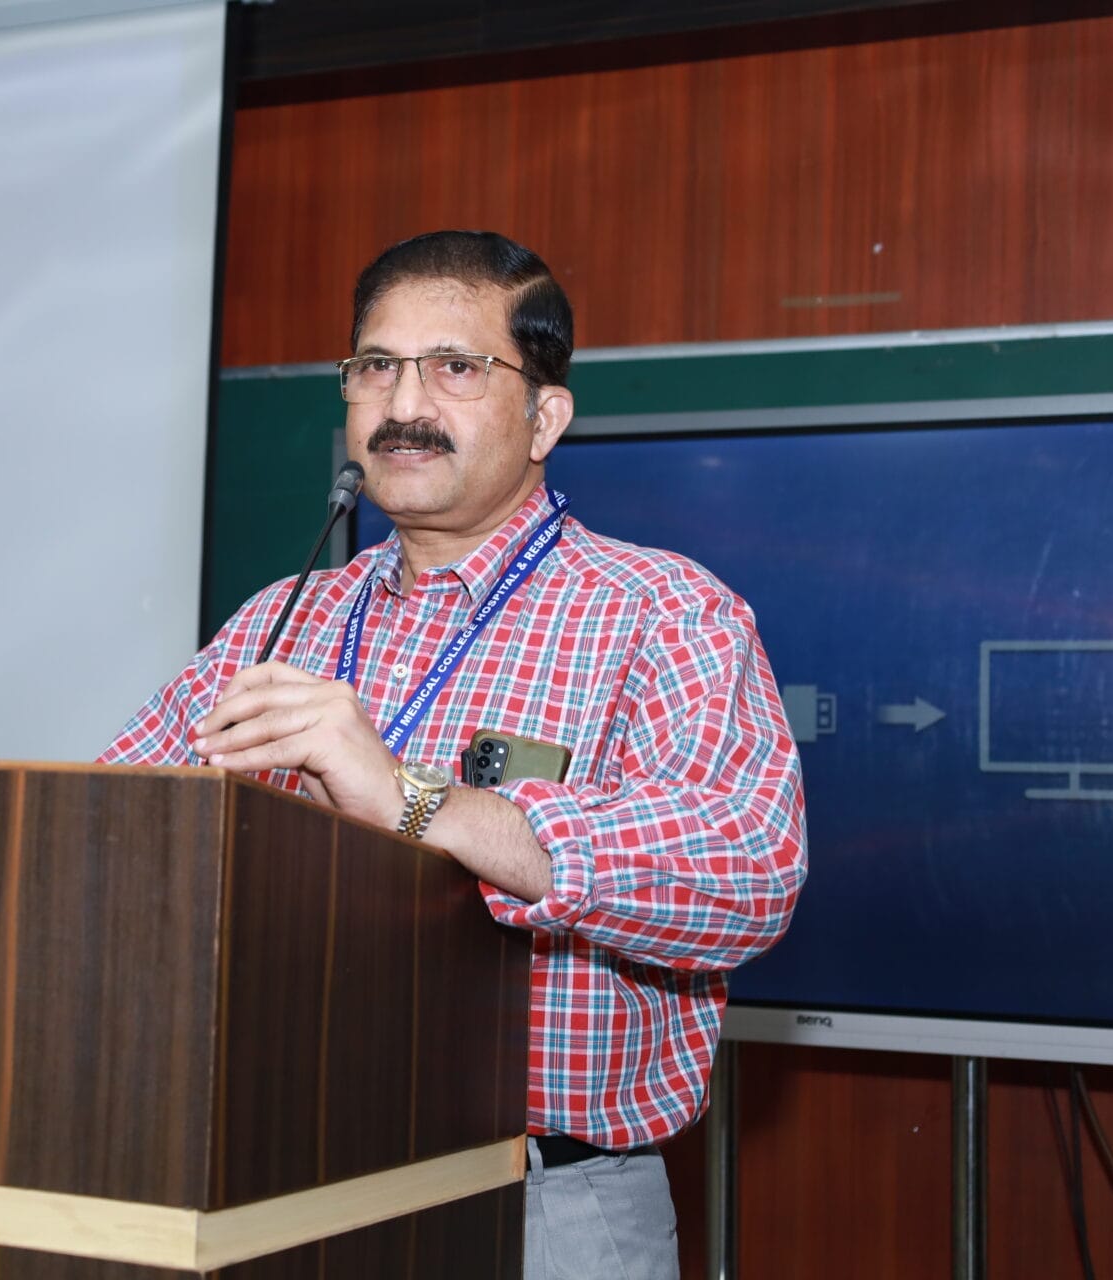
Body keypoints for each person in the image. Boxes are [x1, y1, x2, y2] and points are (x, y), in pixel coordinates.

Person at [101, 230, 806, 1278]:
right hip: (272, 1179)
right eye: (375, 367)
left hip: (541, 1209)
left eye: (455, 368)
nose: (403, 403)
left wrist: (414, 801)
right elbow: (110, 832)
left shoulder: (663, 612)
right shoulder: (282, 619)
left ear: (545, 416)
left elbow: (746, 871)